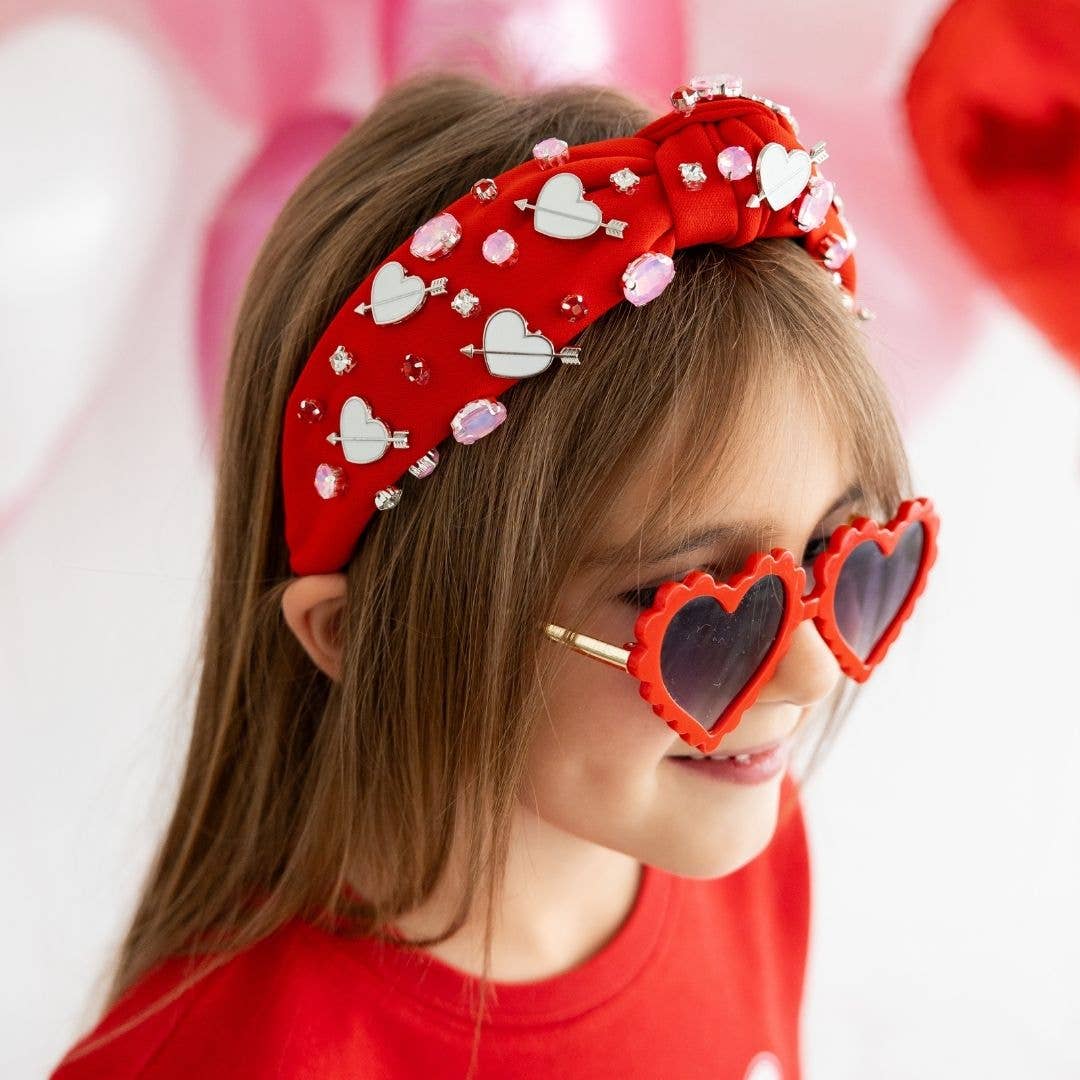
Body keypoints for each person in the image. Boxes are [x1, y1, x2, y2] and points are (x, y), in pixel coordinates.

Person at [50, 70, 939, 1080]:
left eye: (845, 553)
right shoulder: (235, 1059)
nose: (812, 674)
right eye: (696, 607)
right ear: (360, 633)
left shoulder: (743, 835)